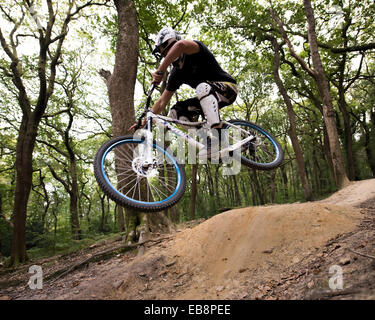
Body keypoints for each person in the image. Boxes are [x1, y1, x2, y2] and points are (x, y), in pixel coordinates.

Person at [131, 27, 238, 157]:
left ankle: (216, 136)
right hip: (207, 97)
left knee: (202, 87)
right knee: (176, 113)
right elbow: (161, 102)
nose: (166, 56)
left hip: (227, 88)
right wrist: (144, 121)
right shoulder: (176, 74)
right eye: (164, 54)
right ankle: (207, 139)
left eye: (167, 51)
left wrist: (161, 70)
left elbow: (181, 46)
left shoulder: (194, 50)